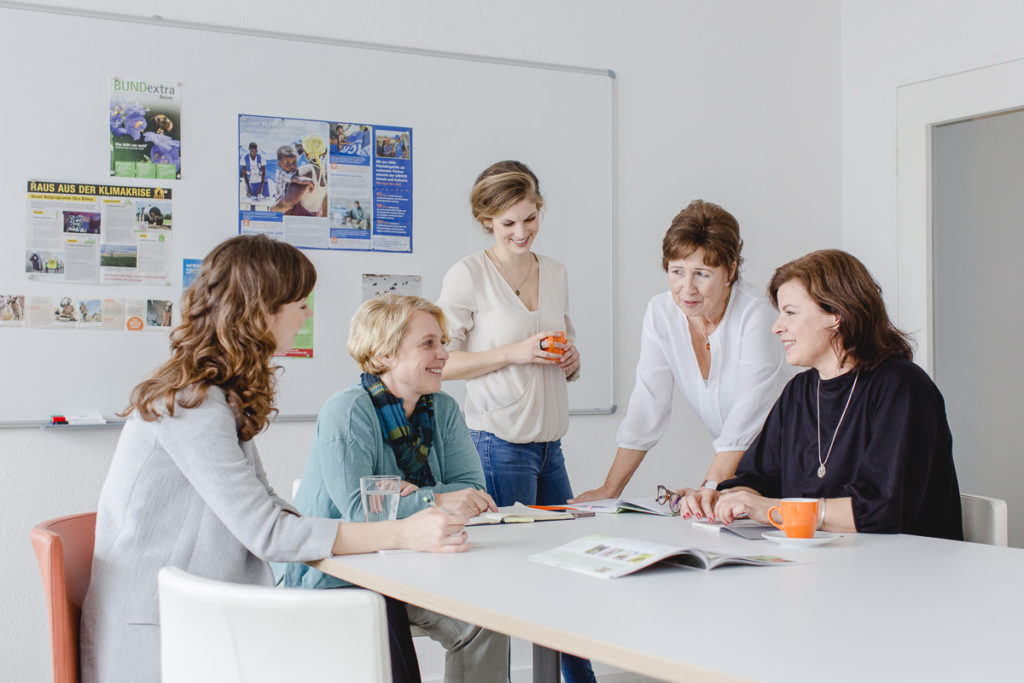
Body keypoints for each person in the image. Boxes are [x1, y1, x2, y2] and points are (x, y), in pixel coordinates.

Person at [79, 236, 469, 683]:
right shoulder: (193, 407)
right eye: (299, 303)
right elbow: (266, 532)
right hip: (163, 635)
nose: (307, 314)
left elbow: (268, 506)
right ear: (260, 311)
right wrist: (401, 531)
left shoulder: (216, 398)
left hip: (203, 615)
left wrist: (331, 525)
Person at [285, 294, 509, 683]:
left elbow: (472, 491)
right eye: (428, 343)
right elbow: (361, 511)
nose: (444, 353)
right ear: (386, 353)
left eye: (442, 342)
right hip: (337, 574)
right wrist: (437, 497)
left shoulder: (444, 408)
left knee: (487, 618)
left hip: (413, 565)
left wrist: (405, 494)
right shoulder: (348, 409)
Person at [436, 160, 593, 683]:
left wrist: (572, 362)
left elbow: (564, 346)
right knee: (511, 584)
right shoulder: (468, 275)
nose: (522, 232)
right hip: (499, 445)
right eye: (508, 224)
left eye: (529, 218)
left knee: (573, 574)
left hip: (552, 447)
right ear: (487, 222)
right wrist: (514, 352)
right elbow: (443, 362)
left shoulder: (557, 271)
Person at [680, 249, 962, 540]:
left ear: (836, 315)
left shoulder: (902, 387)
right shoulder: (799, 392)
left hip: (905, 574)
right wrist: (720, 499)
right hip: (825, 569)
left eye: (790, 312)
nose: (777, 327)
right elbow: (757, 481)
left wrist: (772, 510)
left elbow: (882, 509)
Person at [572, 200, 791, 503]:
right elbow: (648, 405)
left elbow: (746, 419)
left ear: (730, 271)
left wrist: (708, 491)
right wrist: (610, 490)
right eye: (677, 271)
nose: (687, 288)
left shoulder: (757, 315)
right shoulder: (661, 313)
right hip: (739, 475)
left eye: (702, 273)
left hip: (790, 467)